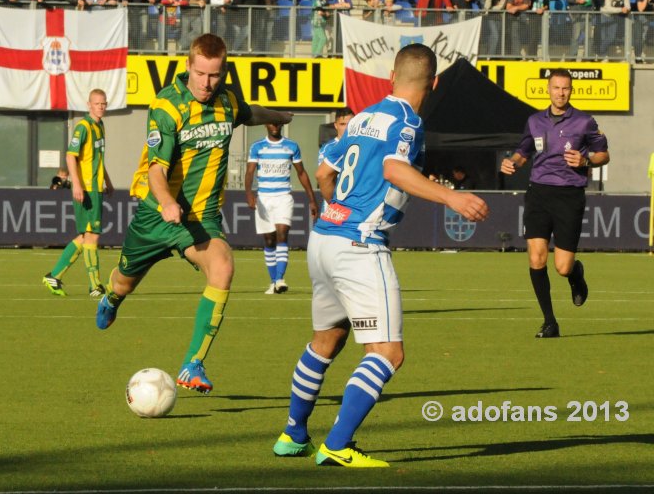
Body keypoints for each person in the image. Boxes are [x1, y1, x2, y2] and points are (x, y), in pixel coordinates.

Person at [272, 43, 489, 467]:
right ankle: (336, 445)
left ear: (392, 76)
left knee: (326, 341)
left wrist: (340, 209)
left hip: (324, 238)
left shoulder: (363, 117)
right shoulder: (408, 121)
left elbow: (322, 173)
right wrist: (451, 197)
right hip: (359, 245)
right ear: (435, 83)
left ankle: (293, 433)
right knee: (388, 352)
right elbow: (393, 169)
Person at [95, 34, 294, 394]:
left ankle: (192, 364)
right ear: (188, 66)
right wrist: (168, 202)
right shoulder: (166, 106)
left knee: (223, 267)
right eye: (200, 74)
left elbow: (249, 113)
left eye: (214, 76)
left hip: (201, 218)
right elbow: (157, 168)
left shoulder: (228, 101)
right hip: (157, 215)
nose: (206, 83)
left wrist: (281, 116)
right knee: (125, 281)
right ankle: (113, 297)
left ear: (224, 71)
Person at [500, 69, 609, 339]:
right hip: (538, 193)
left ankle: (576, 272)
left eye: (565, 89)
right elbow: (524, 152)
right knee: (536, 258)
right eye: (556, 88)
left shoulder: (584, 122)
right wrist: (512, 162)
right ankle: (550, 322)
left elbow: (603, 155)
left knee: (562, 266)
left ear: (571, 91)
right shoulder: (535, 121)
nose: (560, 93)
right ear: (548, 90)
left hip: (569, 195)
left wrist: (586, 161)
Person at [43, 89, 114, 298]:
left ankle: (54, 275)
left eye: (103, 104)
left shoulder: (100, 126)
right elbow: (70, 156)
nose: (101, 107)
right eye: (97, 103)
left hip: (96, 188)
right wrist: (76, 184)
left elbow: (97, 159)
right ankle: (94, 285)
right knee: (92, 236)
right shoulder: (83, 127)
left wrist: (107, 181)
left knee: (85, 236)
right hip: (86, 189)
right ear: (89, 105)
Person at [245, 123, 318, 295]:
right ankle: (273, 282)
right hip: (263, 198)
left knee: (282, 234)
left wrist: (312, 199)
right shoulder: (257, 147)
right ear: (266, 125)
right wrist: (249, 193)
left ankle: (280, 279)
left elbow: (301, 173)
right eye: (271, 122)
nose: (275, 126)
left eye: (278, 123)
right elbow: (249, 172)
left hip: (284, 197)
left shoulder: (291, 146)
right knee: (269, 240)